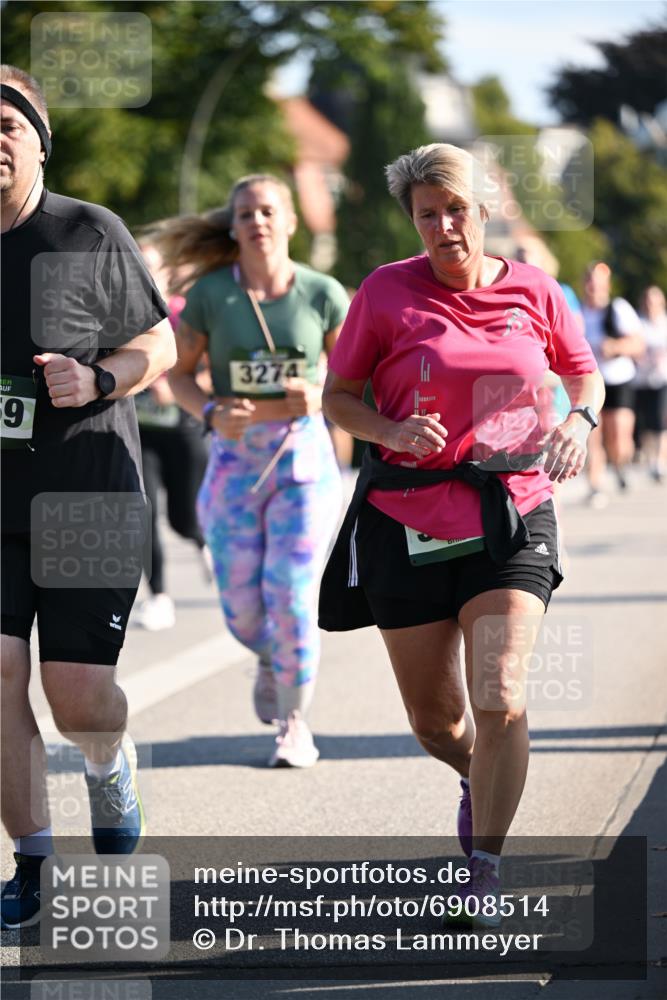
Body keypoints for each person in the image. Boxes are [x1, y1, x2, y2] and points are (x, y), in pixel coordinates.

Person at [319, 143, 604, 926]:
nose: (444, 228)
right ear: (413, 222)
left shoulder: (534, 290)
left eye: (455, 210)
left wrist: (579, 418)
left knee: (501, 696)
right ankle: (474, 776)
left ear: (483, 209)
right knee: (436, 723)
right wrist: (387, 428)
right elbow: (336, 398)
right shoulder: (384, 293)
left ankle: (482, 867)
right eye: (426, 216)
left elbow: (584, 372)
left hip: (510, 510)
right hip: (404, 518)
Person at [0, 66, 176, 928]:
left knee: (78, 700)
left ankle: (108, 767)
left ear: (38, 141)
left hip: (87, 493)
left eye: (7, 124)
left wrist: (101, 376)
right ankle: (32, 861)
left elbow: (159, 343)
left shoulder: (84, 231)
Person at [150, 173, 349, 767]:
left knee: (289, 592)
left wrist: (319, 391)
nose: (256, 222)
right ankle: (270, 656)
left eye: (267, 211)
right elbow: (177, 376)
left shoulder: (322, 294)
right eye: (244, 214)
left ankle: (294, 723)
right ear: (232, 228)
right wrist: (210, 409)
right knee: (242, 608)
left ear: (290, 222)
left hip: (303, 463)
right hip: (235, 464)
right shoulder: (213, 294)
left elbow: (355, 379)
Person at [133, 241, 211, 631]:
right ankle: (158, 595)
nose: (143, 275)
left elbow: (215, 374)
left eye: (150, 267)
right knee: (143, 511)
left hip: (182, 428)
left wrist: (178, 387)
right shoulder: (118, 316)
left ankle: (202, 540)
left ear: (166, 273)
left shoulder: (184, 314)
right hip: (139, 432)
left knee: (184, 518)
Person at [581, 261, 644, 506]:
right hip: (589, 382)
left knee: (618, 435)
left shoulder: (618, 308)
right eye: (589, 281)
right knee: (591, 436)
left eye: (597, 281)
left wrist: (615, 347)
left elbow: (638, 344)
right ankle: (595, 486)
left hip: (618, 379)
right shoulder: (578, 312)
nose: (592, 286)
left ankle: (620, 465)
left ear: (606, 284)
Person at [634, 285, 667, 483]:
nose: (650, 304)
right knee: (647, 421)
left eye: (654, 300)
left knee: (661, 421)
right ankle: (651, 458)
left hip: (663, 378)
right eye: (647, 300)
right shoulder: (638, 323)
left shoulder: (665, 323)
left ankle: (659, 460)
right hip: (642, 380)